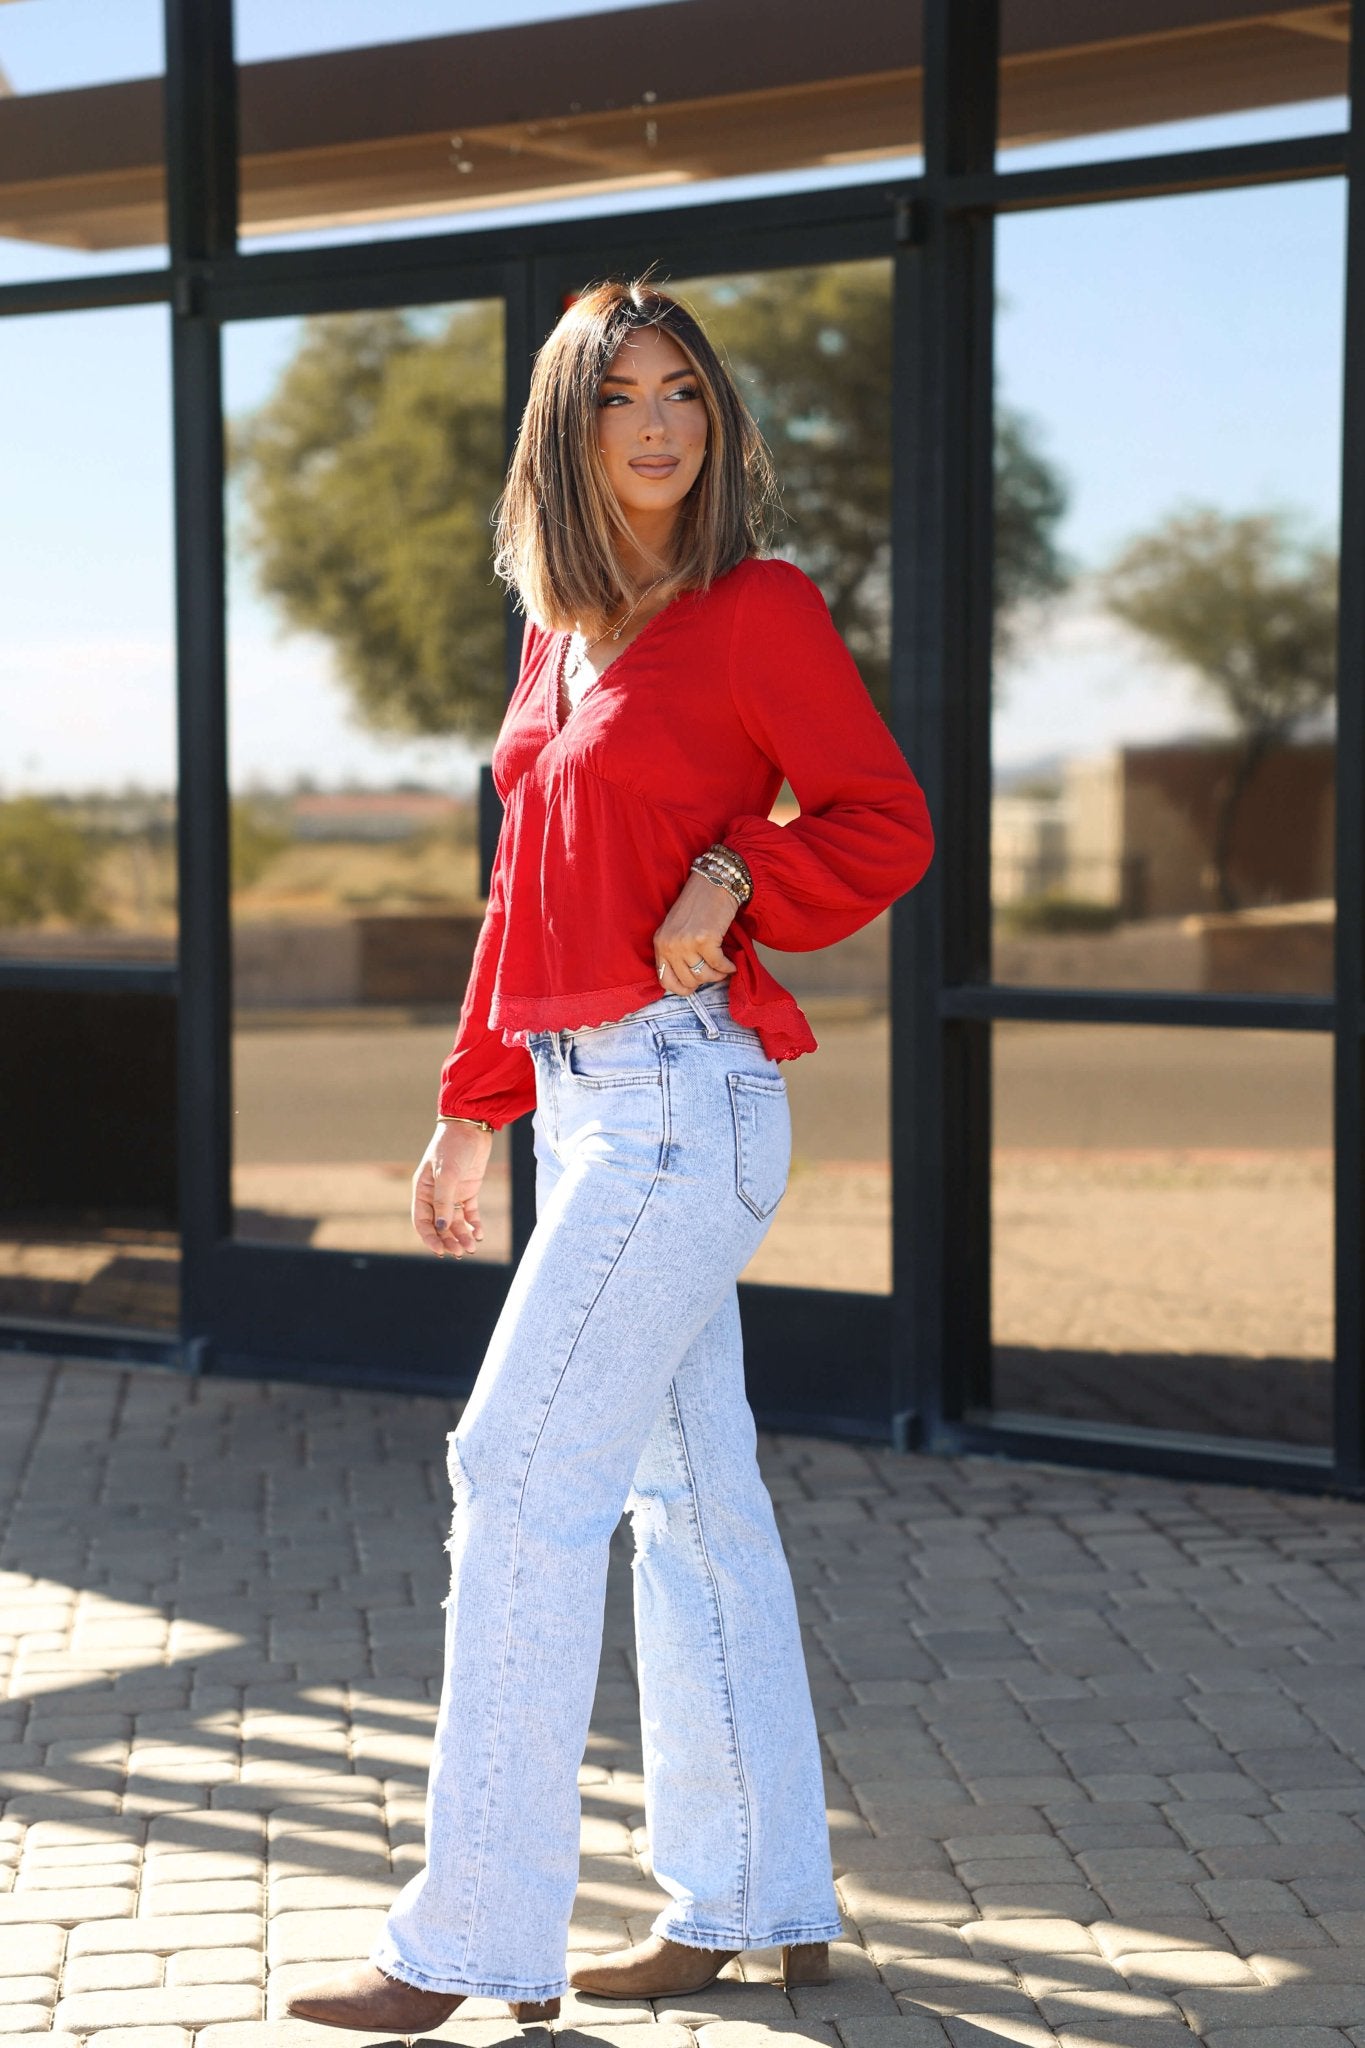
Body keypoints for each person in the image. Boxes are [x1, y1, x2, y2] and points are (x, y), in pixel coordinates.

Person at [285, 278, 934, 2039]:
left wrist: (737, 876)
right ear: (562, 432)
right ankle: (752, 1898)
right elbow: (523, 895)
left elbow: (883, 819)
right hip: (583, 1106)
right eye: (618, 398)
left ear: (716, 424)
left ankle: (467, 1941)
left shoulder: (757, 608)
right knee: (693, 1500)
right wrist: (469, 1105)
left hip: (681, 1103)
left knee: (514, 1472)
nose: (657, 427)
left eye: (683, 396)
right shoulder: (558, 634)